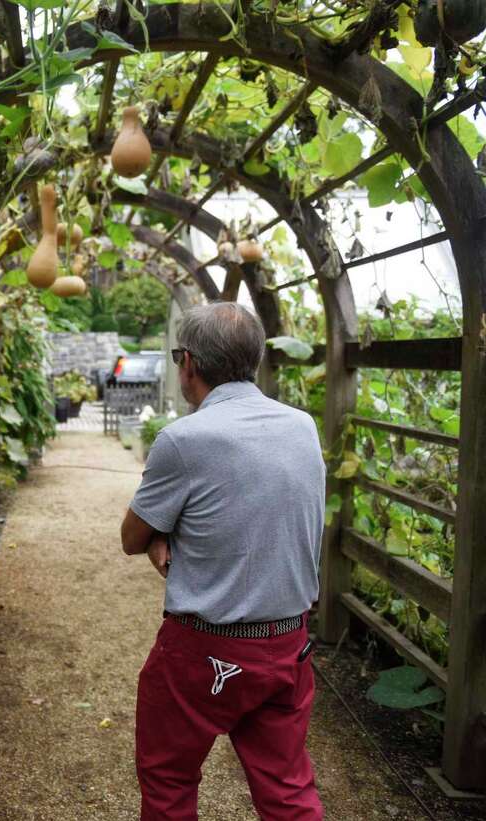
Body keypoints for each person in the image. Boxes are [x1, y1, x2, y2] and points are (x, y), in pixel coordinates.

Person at [121, 302, 326, 820]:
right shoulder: (303, 427)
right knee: (288, 789)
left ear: (188, 362)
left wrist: (158, 533)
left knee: (168, 778)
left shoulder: (184, 439)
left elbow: (130, 536)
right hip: (287, 645)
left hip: (203, 650)